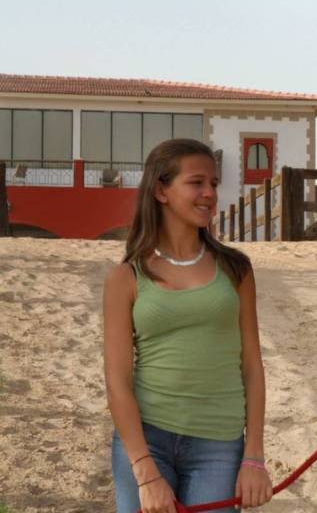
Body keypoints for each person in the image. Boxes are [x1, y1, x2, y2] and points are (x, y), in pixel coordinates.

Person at [103, 139, 273, 512]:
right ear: (161, 190)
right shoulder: (126, 277)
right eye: (197, 183)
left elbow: (252, 367)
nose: (210, 193)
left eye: (213, 183)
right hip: (146, 441)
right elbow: (117, 380)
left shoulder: (236, 270)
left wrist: (254, 457)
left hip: (219, 444)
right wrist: (145, 472)